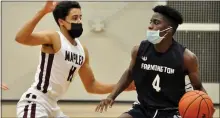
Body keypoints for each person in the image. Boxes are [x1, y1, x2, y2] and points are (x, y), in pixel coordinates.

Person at [15, 1, 135, 117]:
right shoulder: (54, 38)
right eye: (75, 18)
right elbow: (21, 38)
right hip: (36, 102)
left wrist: (122, 86)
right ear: (61, 21)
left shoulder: (82, 50)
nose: (79, 21)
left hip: (53, 106)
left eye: (80, 17)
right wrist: (42, 12)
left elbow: (92, 86)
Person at [96, 5, 207, 118]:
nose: (150, 26)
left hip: (172, 111)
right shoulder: (138, 50)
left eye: (156, 22)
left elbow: (198, 87)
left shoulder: (187, 58)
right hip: (143, 108)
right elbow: (129, 73)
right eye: (151, 22)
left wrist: (206, 110)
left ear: (168, 30)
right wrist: (111, 96)